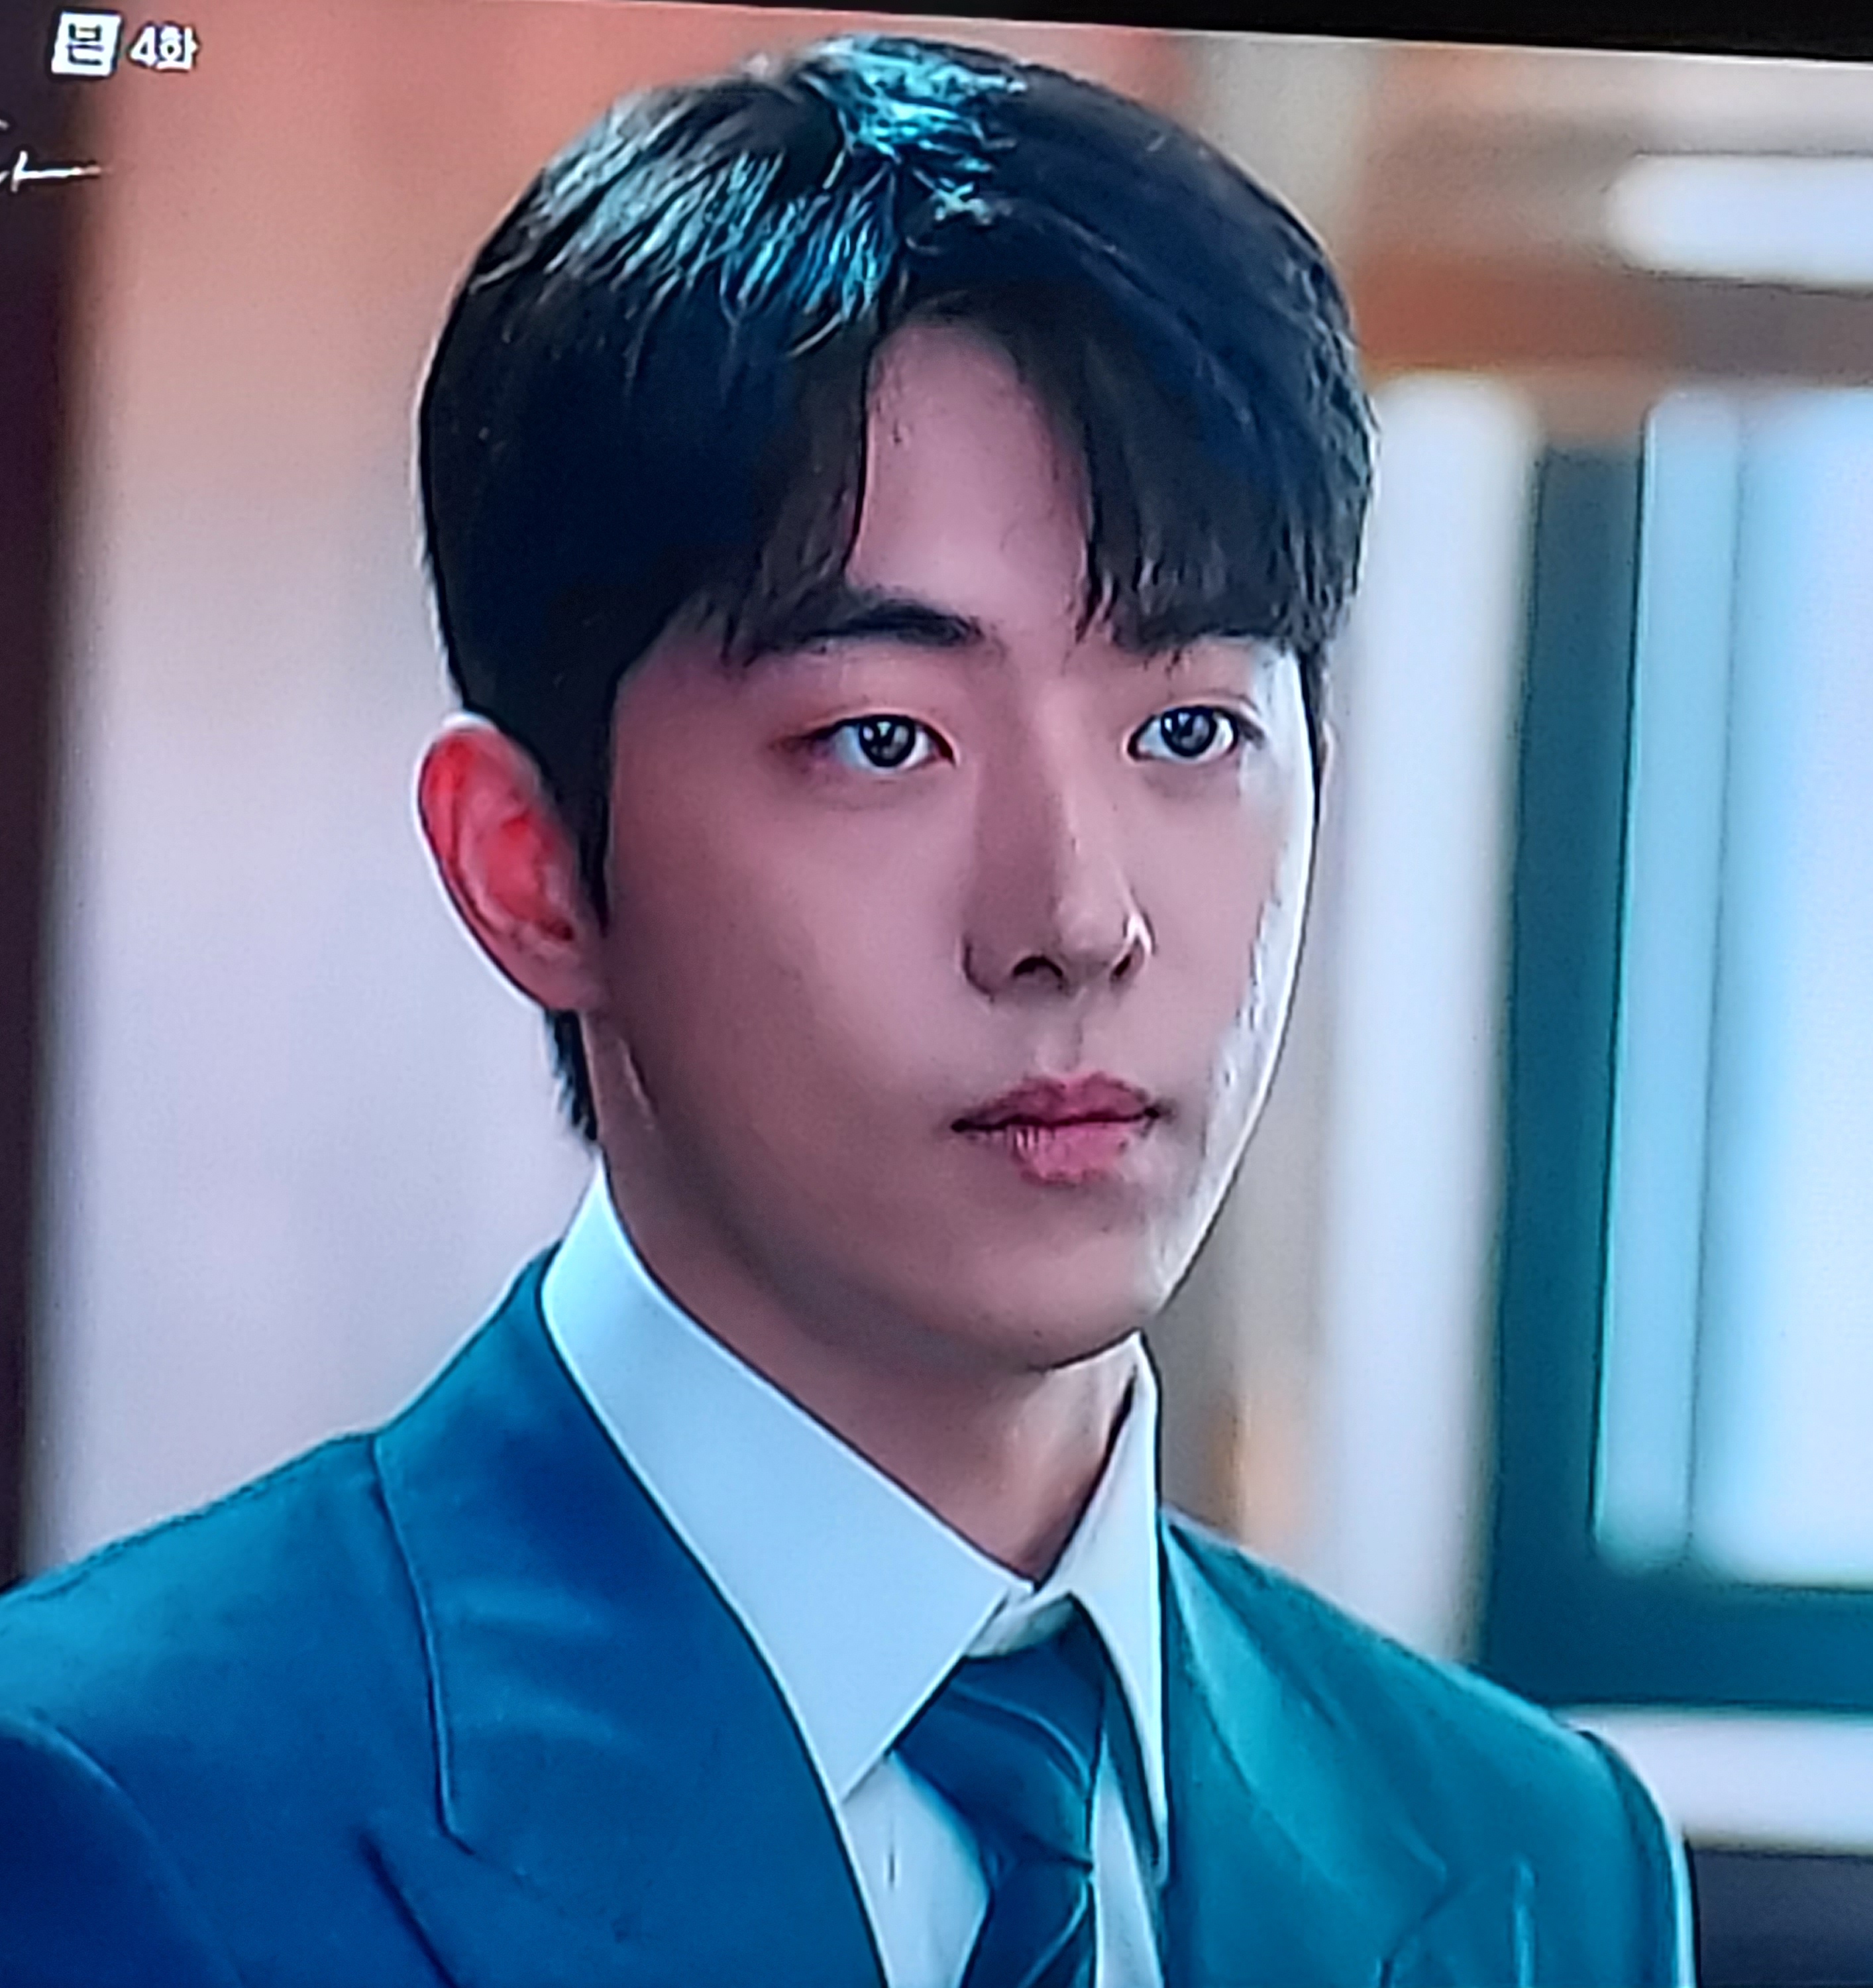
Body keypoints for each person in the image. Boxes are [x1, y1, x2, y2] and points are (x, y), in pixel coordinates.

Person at [0, 32, 1693, 1988]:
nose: (1077, 919)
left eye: (1189, 730)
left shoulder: (1538, 1855)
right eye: (883, 738)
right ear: (530, 867)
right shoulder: (109, 1810)